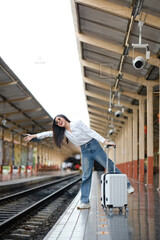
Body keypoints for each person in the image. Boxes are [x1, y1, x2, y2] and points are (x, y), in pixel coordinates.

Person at [24, 114, 135, 210]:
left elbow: (90, 131)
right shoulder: (64, 133)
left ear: (64, 118)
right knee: (86, 175)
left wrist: (104, 141)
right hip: (84, 150)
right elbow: (48, 133)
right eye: (57, 122)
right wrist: (34, 136)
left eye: (59, 119)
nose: (59, 121)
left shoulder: (77, 123)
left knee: (109, 165)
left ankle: (128, 185)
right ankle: (85, 202)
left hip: (94, 146)